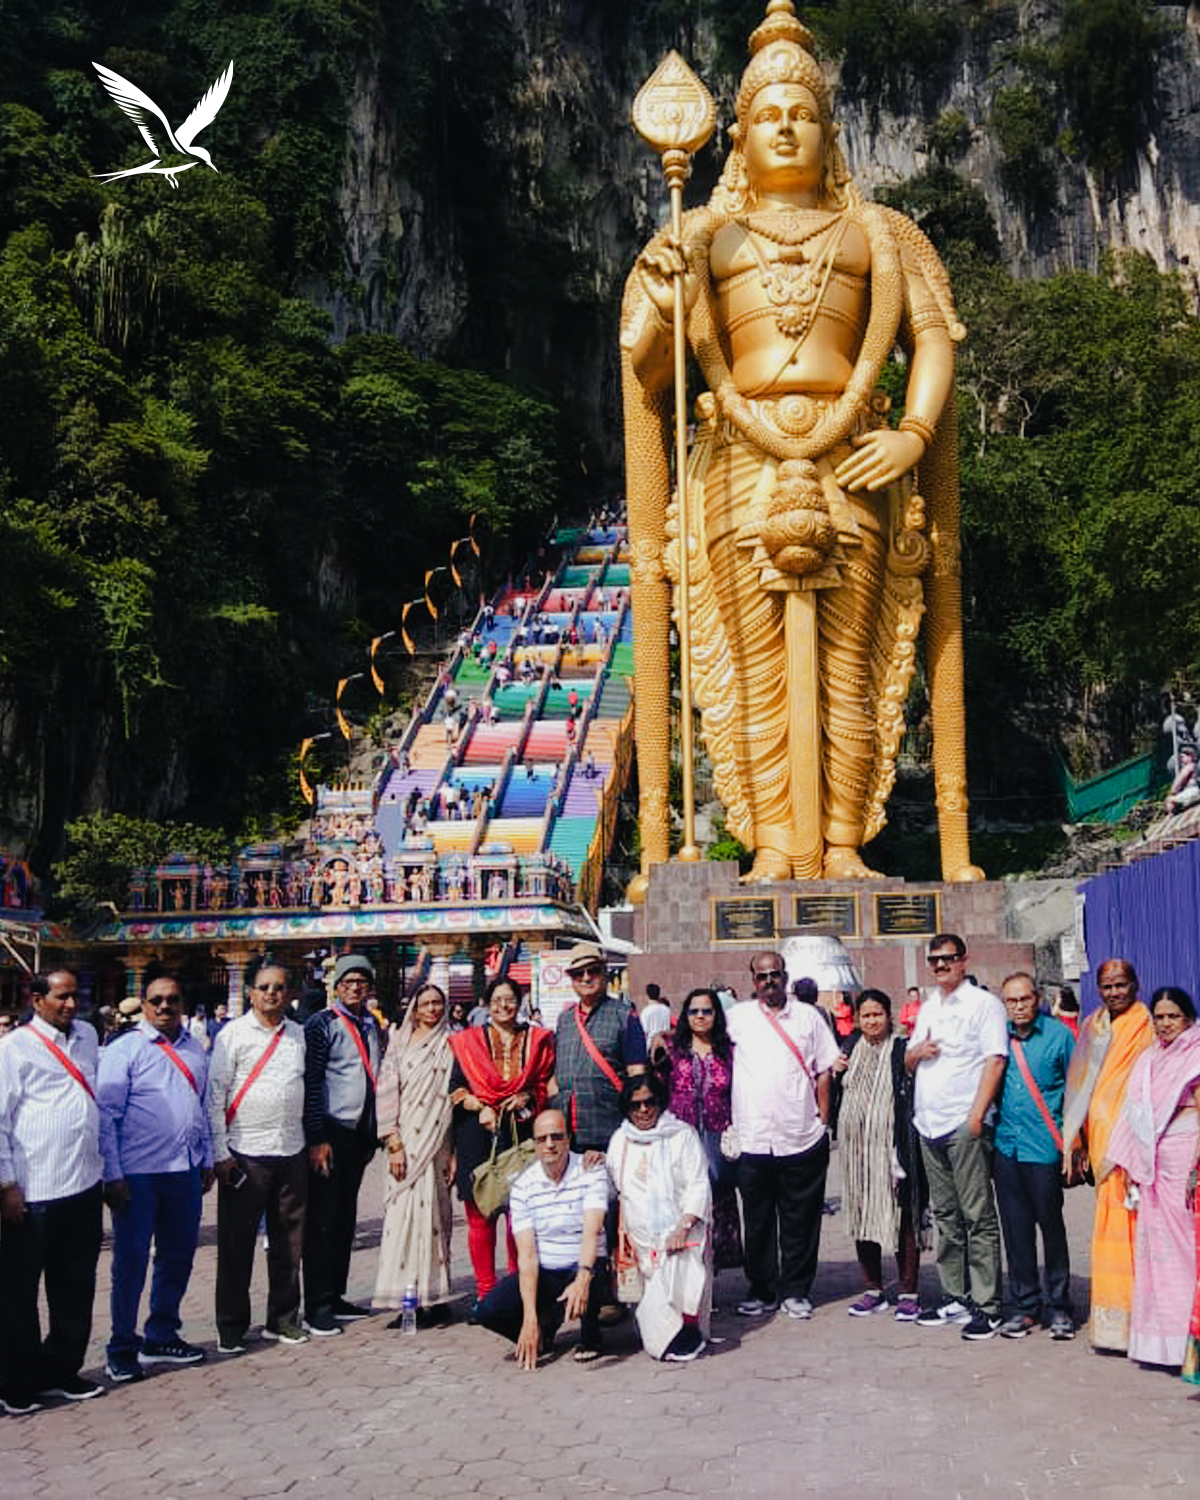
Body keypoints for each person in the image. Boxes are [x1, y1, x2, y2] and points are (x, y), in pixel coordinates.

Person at [622, 0, 980, 885]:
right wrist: (668, 293)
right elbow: (642, 363)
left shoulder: (880, 236)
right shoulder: (699, 235)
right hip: (739, 460)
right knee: (752, 665)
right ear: (738, 135)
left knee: (852, 661)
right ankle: (775, 844)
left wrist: (913, 431)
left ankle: (847, 844)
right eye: (769, 116)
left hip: (854, 453)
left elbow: (932, 338)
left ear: (831, 132)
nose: (786, 128)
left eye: (803, 114)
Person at [97, 973, 213, 1382]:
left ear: (183, 1004)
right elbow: (106, 1116)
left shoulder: (195, 1050)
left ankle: (161, 1333)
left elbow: (203, 1106)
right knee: (130, 1263)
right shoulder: (124, 1050)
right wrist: (112, 1174)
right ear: (144, 1005)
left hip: (183, 1171)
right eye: (156, 1000)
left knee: (177, 1257)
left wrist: (208, 1158)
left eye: (173, 1000)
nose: (165, 1007)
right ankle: (121, 1346)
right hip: (137, 1175)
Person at [0, 969, 104, 1412]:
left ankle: (63, 1369)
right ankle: (17, 1382)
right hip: (33, 1191)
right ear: (36, 998)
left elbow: (96, 1102)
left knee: (75, 1286)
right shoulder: (13, 1048)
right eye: (61, 997)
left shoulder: (87, 1037)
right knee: (19, 1294)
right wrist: (6, 1185)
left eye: (74, 996)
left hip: (82, 1184)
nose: (70, 1005)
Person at [727, 951, 839, 1319]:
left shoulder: (808, 1017)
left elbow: (825, 1068)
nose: (769, 981)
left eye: (775, 974)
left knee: (800, 1218)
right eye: (762, 976)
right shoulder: (738, 1018)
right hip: (754, 1136)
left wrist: (822, 1120)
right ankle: (762, 1289)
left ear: (786, 977)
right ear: (753, 981)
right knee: (757, 1220)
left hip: (800, 1133)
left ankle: (796, 1290)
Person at [907, 934, 1008, 1340]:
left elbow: (995, 1059)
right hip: (928, 1123)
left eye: (948, 959)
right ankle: (955, 1294)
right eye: (934, 960)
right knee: (946, 1215)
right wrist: (918, 1053)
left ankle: (988, 1304)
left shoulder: (984, 1005)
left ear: (964, 961)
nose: (940, 966)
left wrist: (976, 1116)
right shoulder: (929, 1005)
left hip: (963, 1123)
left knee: (977, 1215)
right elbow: (909, 1059)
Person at [207, 962, 309, 1351]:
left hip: (291, 1149)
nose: (272, 993)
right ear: (250, 992)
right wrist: (220, 1153)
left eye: (279, 987)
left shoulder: (298, 1035)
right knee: (237, 1244)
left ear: (289, 993)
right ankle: (231, 1327)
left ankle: (283, 1320)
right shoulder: (232, 1035)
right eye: (264, 987)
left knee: (289, 1243)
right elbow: (215, 1096)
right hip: (244, 1154)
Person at [1061, 958, 1155, 1352]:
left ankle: (1143, 1322)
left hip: (1134, 1146)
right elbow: (1081, 1084)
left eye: (1121, 985)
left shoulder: (1147, 1025)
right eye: (1107, 986)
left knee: (1137, 1232)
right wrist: (1077, 1136)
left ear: (1134, 984)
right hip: (1100, 1144)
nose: (1115, 992)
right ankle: (1114, 1323)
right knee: (1108, 1230)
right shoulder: (1092, 1026)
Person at [1105, 986, 1200, 1367]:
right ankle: (1162, 1343)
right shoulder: (1148, 1059)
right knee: (1155, 1250)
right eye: (1158, 1017)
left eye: (1172, 1016)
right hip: (1153, 1164)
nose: (1164, 1024)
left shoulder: (1194, 1055)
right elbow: (1135, 1114)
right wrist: (1130, 1162)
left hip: (1185, 1159)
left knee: (1186, 1248)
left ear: (1188, 1019)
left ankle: (1189, 1341)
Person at [449, 976, 557, 1303]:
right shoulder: (469, 1042)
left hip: (521, 1134)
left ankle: (514, 1289)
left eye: (510, 999)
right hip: (477, 1133)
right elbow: (455, 1089)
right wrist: (481, 1106)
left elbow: (545, 1085)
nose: (504, 1006)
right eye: (496, 1000)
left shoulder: (537, 1040)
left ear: (520, 1001)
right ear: (486, 1004)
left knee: (517, 1215)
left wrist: (527, 1096)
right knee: (479, 1215)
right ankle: (485, 1294)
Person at [475, 1108, 609, 1366]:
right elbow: (526, 1256)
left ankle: (591, 1335)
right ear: (534, 1144)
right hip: (547, 1268)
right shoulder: (524, 1186)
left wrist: (582, 1278)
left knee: (590, 1279)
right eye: (542, 1139)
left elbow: (592, 1232)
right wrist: (529, 1318)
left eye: (556, 1137)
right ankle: (542, 1332)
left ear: (568, 1139)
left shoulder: (589, 1170)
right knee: (488, 1310)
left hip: (586, 1263)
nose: (549, 1145)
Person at [301, 954, 383, 1336]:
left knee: (345, 1219)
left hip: (358, 1135)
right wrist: (315, 1138)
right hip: (330, 1133)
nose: (355, 987)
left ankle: (336, 1294)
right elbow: (312, 1082)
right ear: (336, 987)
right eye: (348, 982)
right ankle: (316, 1304)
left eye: (361, 982)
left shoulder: (370, 1023)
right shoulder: (322, 1024)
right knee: (322, 1220)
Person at [991, 974, 1075, 1341]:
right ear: (1004, 1004)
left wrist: (1075, 1146)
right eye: (1012, 1001)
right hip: (1007, 1147)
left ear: (1038, 998)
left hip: (1044, 1147)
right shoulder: (998, 1038)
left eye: (1025, 999)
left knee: (1051, 1227)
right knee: (1016, 1230)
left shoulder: (1059, 1036)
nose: (1019, 1006)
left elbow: (1077, 1092)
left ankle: (1060, 1306)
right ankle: (1025, 1306)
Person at [834, 989, 925, 1322]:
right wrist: (834, 1070)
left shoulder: (902, 1048)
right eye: (866, 1015)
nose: (872, 1021)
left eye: (878, 1014)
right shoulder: (848, 1048)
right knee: (862, 1217)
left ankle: (909, 1291)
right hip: (856, 1153)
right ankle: (873, 1288)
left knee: (901, 1217)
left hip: (891, 1151)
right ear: (857, 1019)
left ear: (890, 1016)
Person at [607, 1074, 712, 1361]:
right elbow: (613, 1186)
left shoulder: (682, 1135)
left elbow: (697, 1184)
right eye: (635, 1105)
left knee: (681, 1283)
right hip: (641, 1240)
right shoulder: (620, 1140)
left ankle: (685, 1336)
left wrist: (684, 1225)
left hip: (683, 1233)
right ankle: (669, 1337)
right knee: (653, 1315)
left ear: (660, 1103)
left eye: (649, 1103)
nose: (643, 1111)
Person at [373, 982, 455, 1320]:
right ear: (415, 1009)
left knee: (437, 1220)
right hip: (406, 1145)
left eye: (438, 1003)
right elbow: (386, 1094)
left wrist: (453, 1153)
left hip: (438, 1145)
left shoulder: (452, 1044)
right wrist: (394, 1143)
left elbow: (455, 1099)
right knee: (402, 1221)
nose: (433, 1010)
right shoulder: (399, 1044)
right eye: (426, 1004)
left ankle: (434, 1299)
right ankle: (405, 1301)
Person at [653, 988, 743, 1271]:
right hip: (681, 1135)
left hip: (719, 1135)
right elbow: (655, 1088)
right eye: (694, 1011)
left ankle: (710, 1275)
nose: (701, 1016)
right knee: (683, 1199)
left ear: (717, 1015)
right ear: (685, 1015)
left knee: (716, 1198)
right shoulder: (670, 1048)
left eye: (707, 1011)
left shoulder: (730, 1050)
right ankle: (686, 1269)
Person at [553, 942, 647, 1154]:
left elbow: (638, 1075)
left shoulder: (624, 1016)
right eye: (578, 974)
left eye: (592, 971)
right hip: (568, 1132)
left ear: (604, 973)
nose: (586, 978)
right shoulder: (564, 1020)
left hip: (610, 1130)